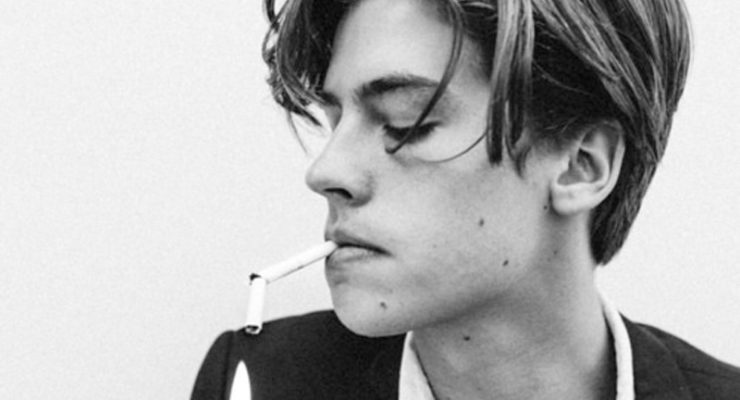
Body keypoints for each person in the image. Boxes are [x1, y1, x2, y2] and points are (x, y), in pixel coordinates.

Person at [192, 0, 740, 398]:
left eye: (406, 123)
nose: (326, 172)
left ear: (581, 165)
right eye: (334, 122)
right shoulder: (261, 378)